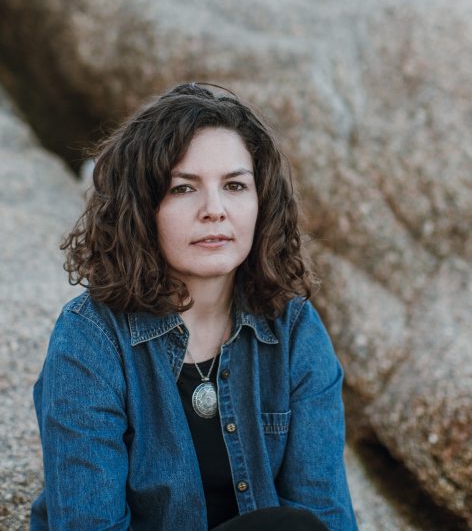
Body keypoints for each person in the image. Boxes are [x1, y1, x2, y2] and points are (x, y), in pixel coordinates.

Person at [29, 83, 357, 530]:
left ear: (262, 203)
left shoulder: (293, 330)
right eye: (184, 189)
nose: (215, 210)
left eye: (236, 185)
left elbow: (325, 511)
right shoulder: (91, 338)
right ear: (142, 208)